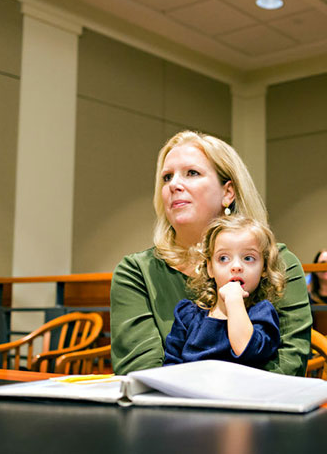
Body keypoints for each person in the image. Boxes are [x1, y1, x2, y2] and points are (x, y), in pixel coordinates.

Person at [110, 130, 312, 376]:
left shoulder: (277, 262)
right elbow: (141, 372)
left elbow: (288, 366)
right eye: (166, 178)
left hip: (257, 410)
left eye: (191, 173)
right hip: (167, 411)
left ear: (228, 192)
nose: (174, 185)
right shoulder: (136, 271)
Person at [164, 216, 283, 367]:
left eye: (248, 258)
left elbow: (249, 352)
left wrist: (234, 301)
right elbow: (171, 365)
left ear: (264, 268)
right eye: (224, 258)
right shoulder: (188, 316)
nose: (236, 266)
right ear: (210, 268)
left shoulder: (262, 314)